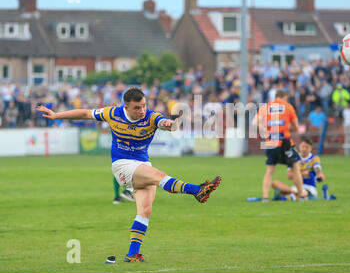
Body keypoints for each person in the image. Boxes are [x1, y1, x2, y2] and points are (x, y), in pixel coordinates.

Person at [36, 87, 221, 263]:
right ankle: (196, 190)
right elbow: (85, 113)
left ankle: (132, 254)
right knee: (159, 175)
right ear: (126, 107)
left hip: (142, 165)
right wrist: (56, 115)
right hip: (122, 166)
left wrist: (169, 125)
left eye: (144, 106)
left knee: (145, 211)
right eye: (137, 107)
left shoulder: (151, 116)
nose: (142, 110)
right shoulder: (113, 113)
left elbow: (163, 123)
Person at [251, 89, 304, 203]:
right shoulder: (288, 106)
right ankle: (301, 195)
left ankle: (265, 197)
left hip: (271, 143)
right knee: (295, 167)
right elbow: (296, 127)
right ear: (284, 97)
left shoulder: (266, 107)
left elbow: (254, 123)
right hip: (285, 142)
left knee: (269, 171)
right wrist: (288, 128)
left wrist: (265, 131)